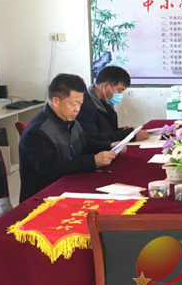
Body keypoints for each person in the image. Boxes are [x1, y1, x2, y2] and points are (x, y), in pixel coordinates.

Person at [19, 74, 123, 203]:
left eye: (80, 104)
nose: (77, 109)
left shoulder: (69, 120)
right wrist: (92, 161)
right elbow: (51, 168)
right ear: (56, 101)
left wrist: (109, 145)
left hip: (71, 184)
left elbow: (85, 144)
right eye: (73, 104)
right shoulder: (37, 131)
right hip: (44, 198)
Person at [77, 66, 149, 144]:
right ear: (106, 86)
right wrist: (130, 135)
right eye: (119, 90)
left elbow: (108, 132)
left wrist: (124, 131)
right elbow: (93, 138)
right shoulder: (83, 105)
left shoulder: (106, 102)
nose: (121, 95)